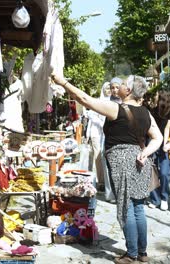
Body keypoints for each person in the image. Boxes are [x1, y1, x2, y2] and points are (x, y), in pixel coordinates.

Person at [51, 74, 163, 264]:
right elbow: (158, 137)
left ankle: (132, 254)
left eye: (123, 83)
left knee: (127, 207)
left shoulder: (116, 108)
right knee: (138, 208)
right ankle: (142, 252)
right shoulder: (145, 112)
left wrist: (63, 83)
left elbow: (85, 99)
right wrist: (145, 153)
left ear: (128, 91)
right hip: (139, 160)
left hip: (122, 161)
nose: (118, 85)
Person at [148, 90, 170, 211]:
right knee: (150, 171)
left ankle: (164, 198)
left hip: (162, 143)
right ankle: (155, 199)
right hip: (151, 142)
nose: (155, 98)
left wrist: (164, 144)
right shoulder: (152, 110)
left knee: (164, 172)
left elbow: (167, 128)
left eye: (157, 97)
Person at [85, 82, 110, 190]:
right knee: (98, 156)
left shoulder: (114, 102)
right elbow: (90, 114)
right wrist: (100, 123)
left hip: (109, 133)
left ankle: (108, 180)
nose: (108, 90)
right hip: (97, 133)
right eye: (106, 88)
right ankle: (101, 182)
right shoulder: (99, 101)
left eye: (110, 88)